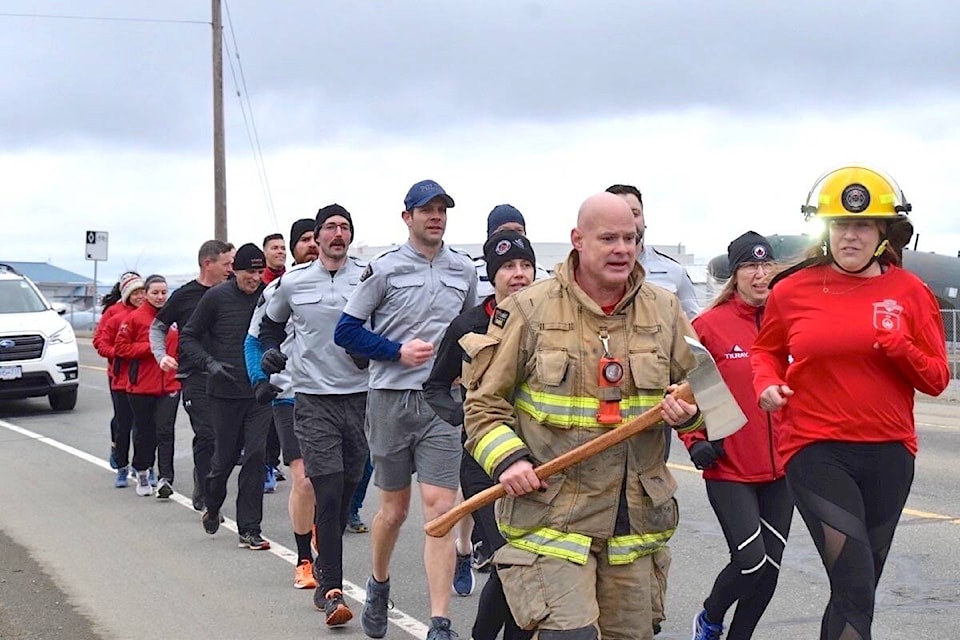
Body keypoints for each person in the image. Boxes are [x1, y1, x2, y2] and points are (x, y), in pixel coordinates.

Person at [462, 192, 703, 640]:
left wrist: (688, 416)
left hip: (633, 526)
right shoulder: (529, 310)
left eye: (631, 238)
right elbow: (482, 405)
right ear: (577, 240)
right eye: (609, 238)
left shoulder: (666, 310)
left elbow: (713, 403)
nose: (623, 249)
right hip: (552, 519)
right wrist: (509, 460)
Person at [752, 165, 949, 640]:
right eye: (839, 224)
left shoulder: (911, 293)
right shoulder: (792, 290)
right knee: (855, 580)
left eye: (862, 225)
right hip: (815, 448)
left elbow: (938, 380)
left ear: (884, 232)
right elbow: (766, 351)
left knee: (857, 589)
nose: (850, 236)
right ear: (824, 230)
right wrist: (767, 384)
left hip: (888, 453)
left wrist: (899, 345)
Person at [334, 179, 478, 640]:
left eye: (442, 210)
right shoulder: (384, 269)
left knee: (440, 509)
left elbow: (475, 329)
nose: (435, 217)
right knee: (393, 511)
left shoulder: (463, 270)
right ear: (407, 217)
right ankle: (378, 584)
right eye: (426, 210)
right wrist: (396, 351)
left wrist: (466, 368)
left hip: (442, 402)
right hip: (391, 398)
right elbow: (347, 332)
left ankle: (440, 621)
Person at [258, 205, 371, 625]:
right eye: (330, 228)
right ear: (317, 237)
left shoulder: (367, 277)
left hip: (359, 398)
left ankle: (325, 564)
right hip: (312, 400)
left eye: (344, 227)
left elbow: (384, 323)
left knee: (348, 488)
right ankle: (332, 589)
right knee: (325, 488)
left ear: (350, 236)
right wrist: (271, 353)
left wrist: (369, 349)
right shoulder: (292, 283)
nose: (337, 234)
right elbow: (270, 328)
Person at [425, 229, 537, 640]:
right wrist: (463, 417)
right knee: (511, 560)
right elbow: (434, 385)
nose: (519, 275)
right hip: (482, 464)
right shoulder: (469, 324)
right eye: (509, 267)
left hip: (534, 462)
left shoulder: (549, 321)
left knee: (522, 564)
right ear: (493, 275)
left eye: (526, 266)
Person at [681, 232, 792, 640]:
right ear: (735, 273)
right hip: (730, 467)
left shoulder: (790, 321)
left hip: (784, 470)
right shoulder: (709, 327)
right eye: (750, 266)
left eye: (766, 266)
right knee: (750, 561)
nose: (760, 275)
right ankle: (710, 616)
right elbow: (683, 396)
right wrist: (696, 443)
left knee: (770, 570)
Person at [606, 182, 699, 633]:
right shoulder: (542, 306)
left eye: (633, 220)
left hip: (644, 469)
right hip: (568, 489)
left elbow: (703, 377)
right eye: (611, 233)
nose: (624, 240)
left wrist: (692, 413)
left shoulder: (667, 296)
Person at [243, 218, 321, 590]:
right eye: (303, 240)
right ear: (292, 249)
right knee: (304, 480)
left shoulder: (352, 286)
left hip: (335, 394)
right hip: (289, 394)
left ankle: (323, 533)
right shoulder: (278, 288)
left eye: (314, 237)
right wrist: (260, 378)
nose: (311, 244)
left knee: (334, 480)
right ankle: (304, 559)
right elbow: (253, 341)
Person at [180, 243, 273, 551]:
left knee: (256, 456)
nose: (255, 278)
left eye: (259, 272)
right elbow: (188, 337)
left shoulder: (268, 297)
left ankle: (249, 528)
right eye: (249, 272)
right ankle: (213, 504)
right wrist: (209, 363)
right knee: (223, 460)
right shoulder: (216, 298)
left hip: (259, 393)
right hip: (223, 392)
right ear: (235, 270)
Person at [149, 240, 233, 511]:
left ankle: (206, 479)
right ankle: (207, 492)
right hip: (195, 374)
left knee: (223, 436)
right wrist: (161, 356)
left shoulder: (232, 293)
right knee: (206, 432)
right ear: (208, 263)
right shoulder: (185, 295)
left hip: (229, 374)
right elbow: (158, 327)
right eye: (226, 264)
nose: (231, 269)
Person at [115, 275, 181, 499]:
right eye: (155, 292)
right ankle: (142, 470)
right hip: (141, 386)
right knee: (145, 431)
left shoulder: (174, 317)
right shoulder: (134, 319)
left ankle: (165, 478)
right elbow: (122, 348)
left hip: (170, 384)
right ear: (146, 294)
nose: (160, 296)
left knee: (165, 431)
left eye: (164, 292)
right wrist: (152, 348)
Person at [93, 272, 145, 488]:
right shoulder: (114, 313)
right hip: (119, 375)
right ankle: (119, 456)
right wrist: (119, 353)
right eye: (135, 292)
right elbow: (99, 341)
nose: (140, 296)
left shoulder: (150, 312)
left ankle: (142, 465)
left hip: (144, 377)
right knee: (123, 420)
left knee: (143, 424)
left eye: (143, 291)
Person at [473, 204, 551, 297]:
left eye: (518, 231)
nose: (512, 236)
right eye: (504, 231)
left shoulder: (541, 275)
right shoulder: (473, 273)